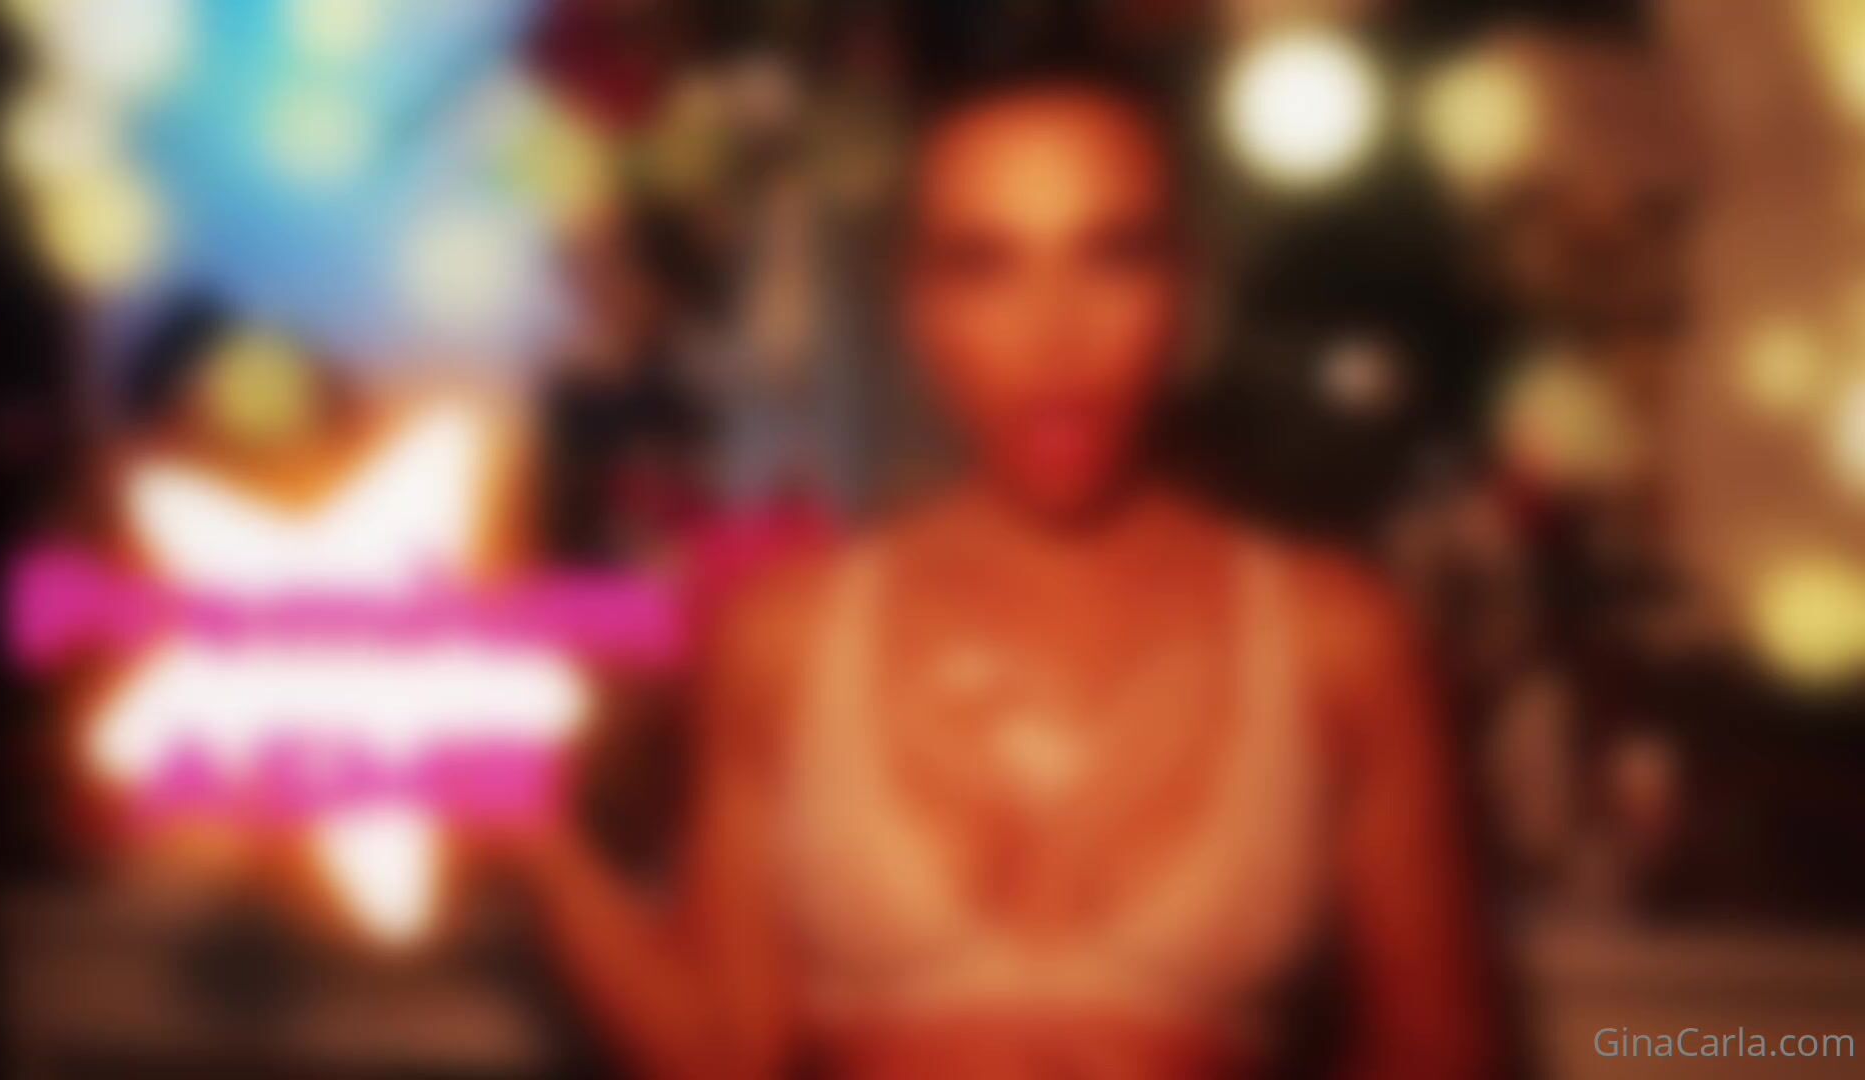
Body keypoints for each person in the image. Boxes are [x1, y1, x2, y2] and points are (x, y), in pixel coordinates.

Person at [507, 63, 1496, 1080]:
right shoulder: (786, 637)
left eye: (1113, 257)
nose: (1053, 333)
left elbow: (1439, 1054)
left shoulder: (1337, 639)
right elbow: (727, 1054)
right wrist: (522, 819)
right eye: (985, 267)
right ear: (916, 306)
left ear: (1187, 288)